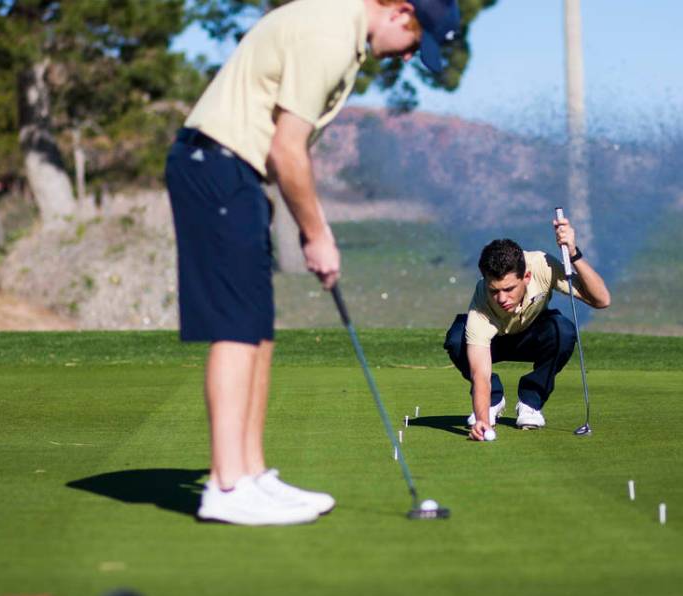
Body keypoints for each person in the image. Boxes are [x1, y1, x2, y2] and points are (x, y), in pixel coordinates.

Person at [165, 0, 461, 525]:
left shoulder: (341, 33)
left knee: (256, 330)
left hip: (236, 174)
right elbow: (287, 149)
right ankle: (226, 485)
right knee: (235, 330)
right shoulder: (329, 32)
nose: (410, 56)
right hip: (216, 167)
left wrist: (314, 226)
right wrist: (317, 232)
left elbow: (288, 152)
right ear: (399, 11)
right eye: (416, 43)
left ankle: (250, 475)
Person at [443, 215, 611, 441]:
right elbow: (480, 373)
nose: (502, 298)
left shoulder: (543, 266)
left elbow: (601, 300)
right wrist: (482, 419)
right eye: (494, 290)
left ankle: (530, 403)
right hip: (495, 342)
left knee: (563, 330)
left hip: (533, 335)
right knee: (457, 338)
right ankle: (493, 402)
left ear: (527, 277)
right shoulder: (481, 307)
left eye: (509, 288)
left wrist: (573, 253)